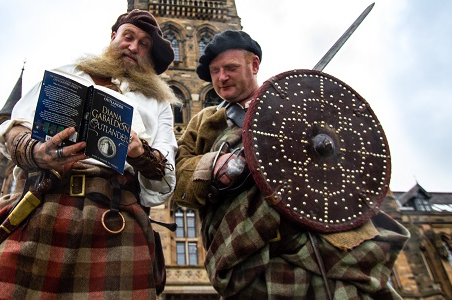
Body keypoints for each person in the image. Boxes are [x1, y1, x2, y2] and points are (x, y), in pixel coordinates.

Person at [174, 30, 410, 299]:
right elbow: (178, 176)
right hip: (248, 254)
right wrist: (212, 165)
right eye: (215, 71)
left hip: (330, 247)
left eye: (230, 68)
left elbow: (354, 155)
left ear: (254, 65)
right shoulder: (205, 122)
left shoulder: (300, 102)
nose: (221, 77)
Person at [0, 9, 178, 299]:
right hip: (39, 205)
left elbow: (164, 182)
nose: (134, 46)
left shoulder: (158, 102)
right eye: (128, 37)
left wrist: (140, 154)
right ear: (113, 37)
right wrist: (36, 151)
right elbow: (11, 131)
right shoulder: (67, 74)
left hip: (115, 219)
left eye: (144, 45)